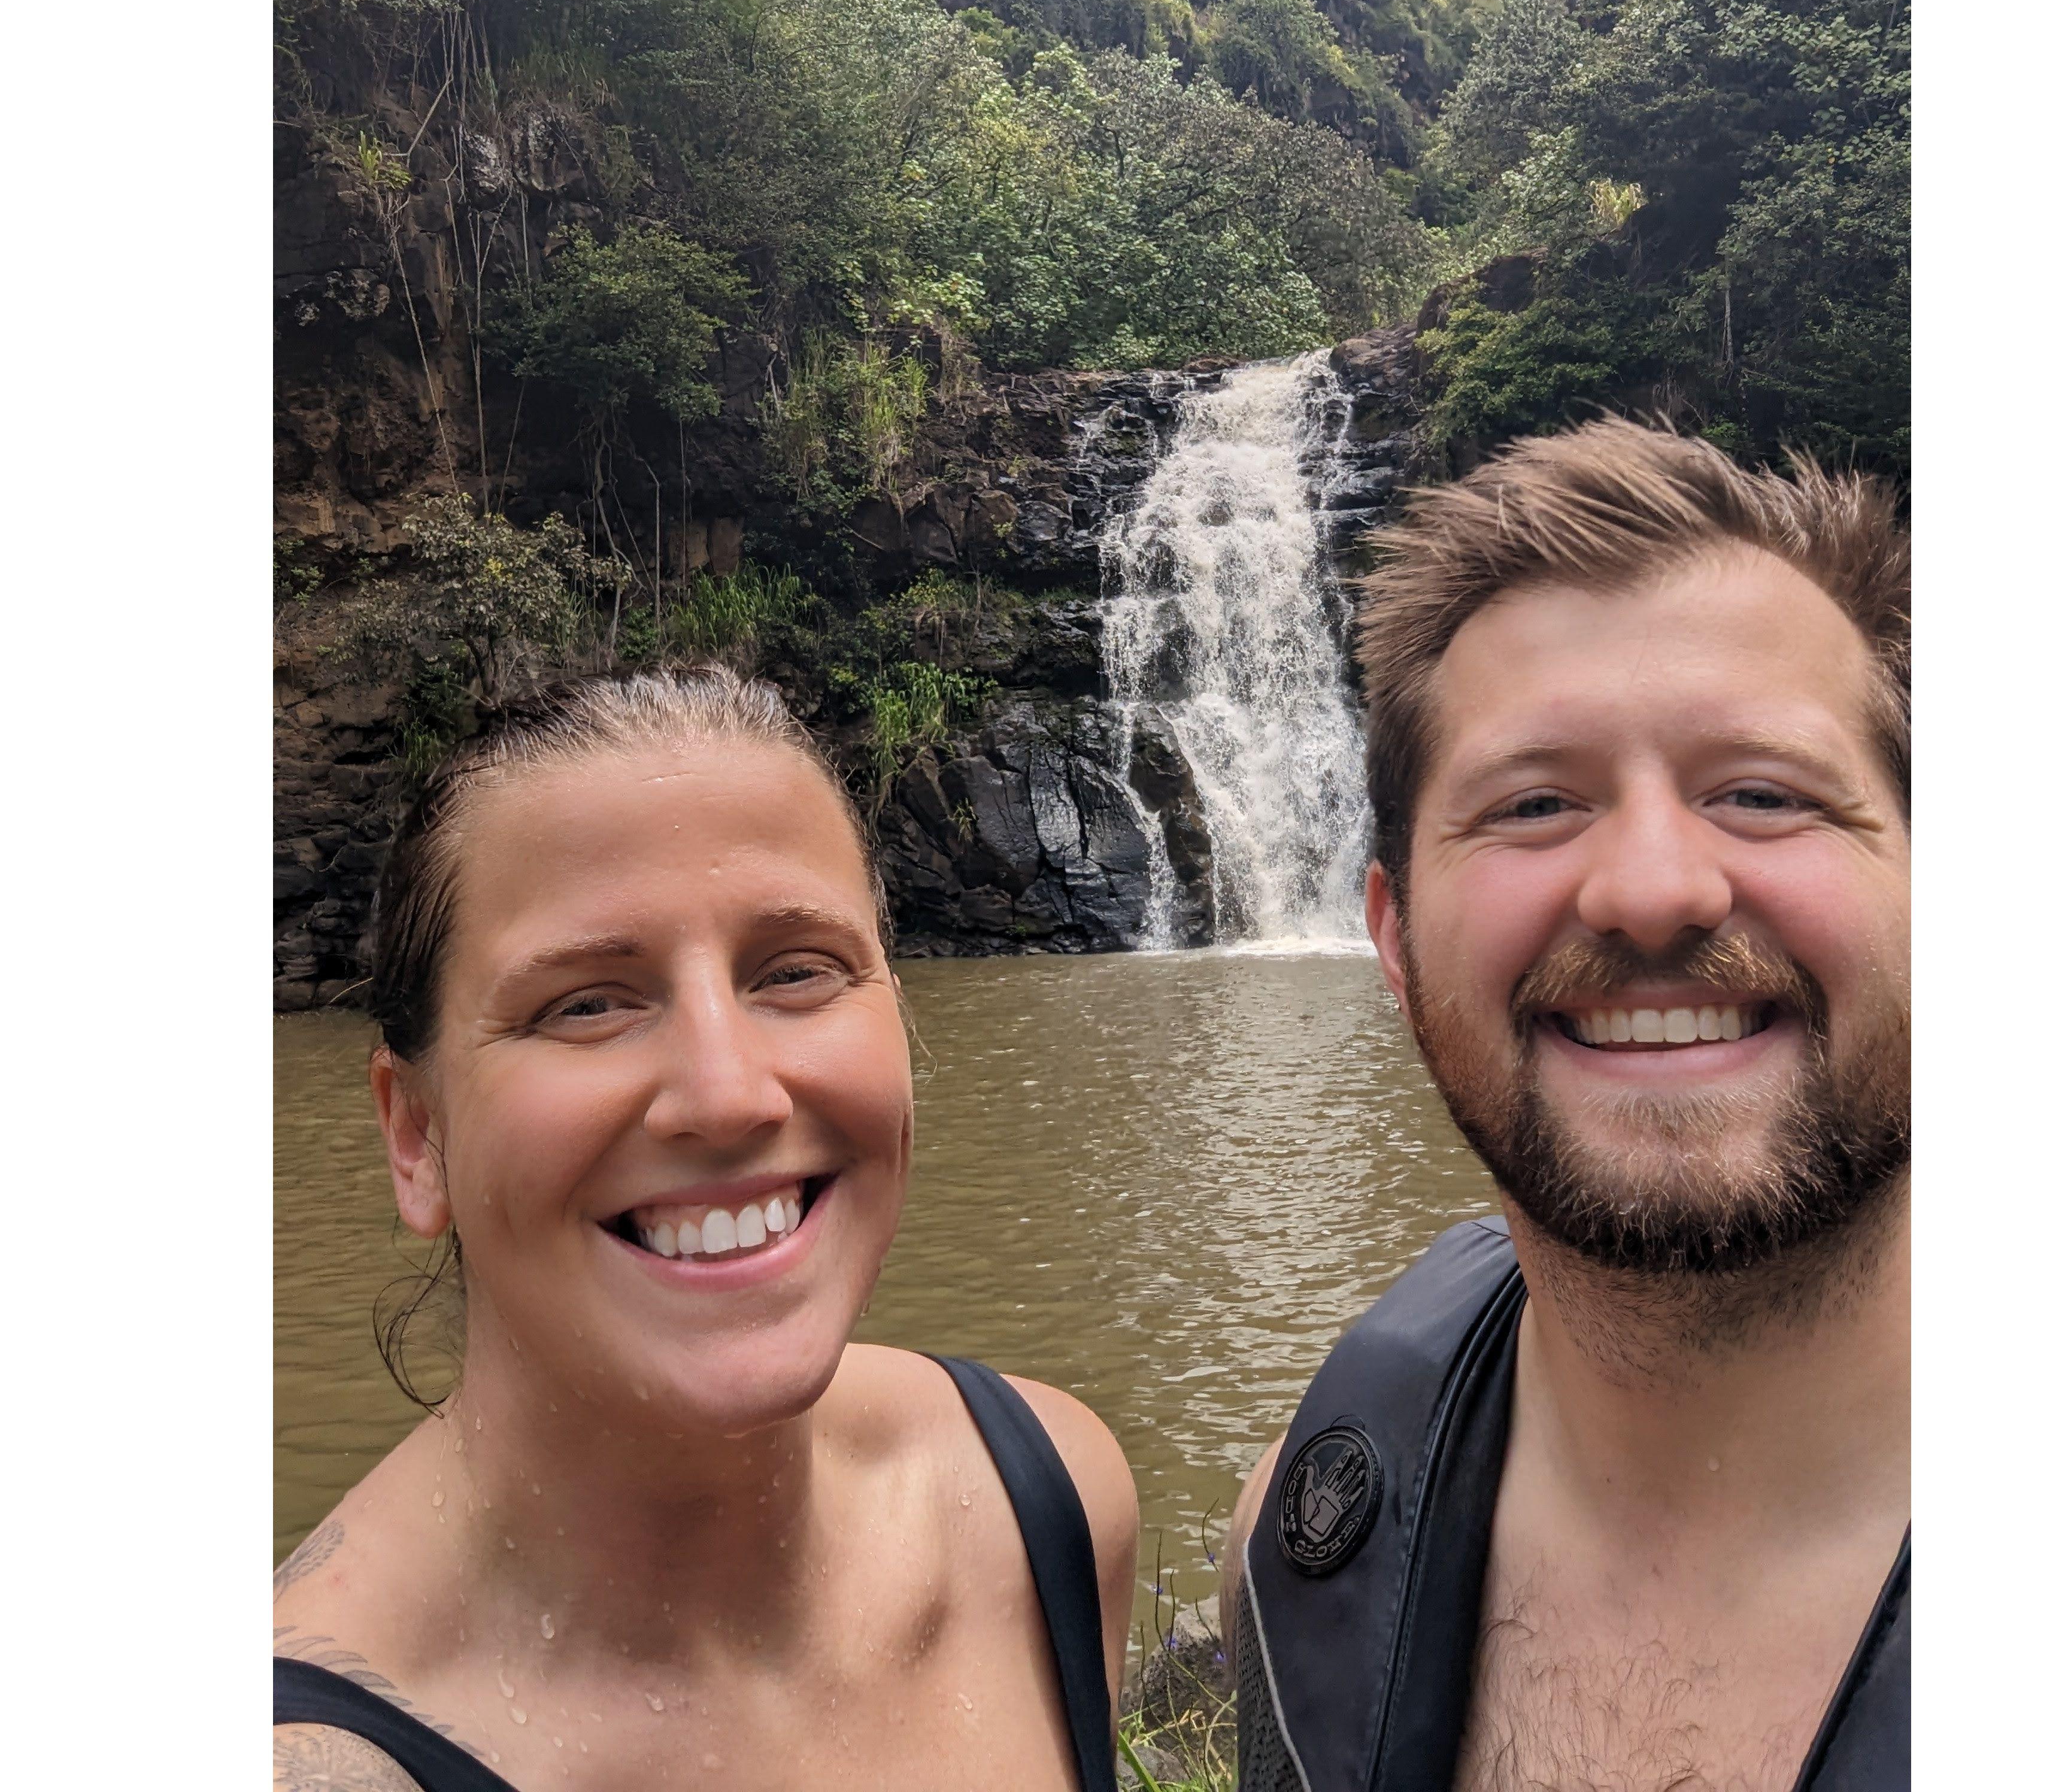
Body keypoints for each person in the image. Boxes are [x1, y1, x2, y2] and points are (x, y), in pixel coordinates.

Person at [274, 667, 1138, 1792]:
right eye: (588, 1002)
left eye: (796, 972)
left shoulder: (1048, 1511)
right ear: (416, 1135)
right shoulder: (311, 1762)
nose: (730, 1094)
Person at [1221, 421, 1909, 1792]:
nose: (1654, 888)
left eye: (1763, 793)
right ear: (1397, 937)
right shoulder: (1308, 1535)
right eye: (1535, 804)